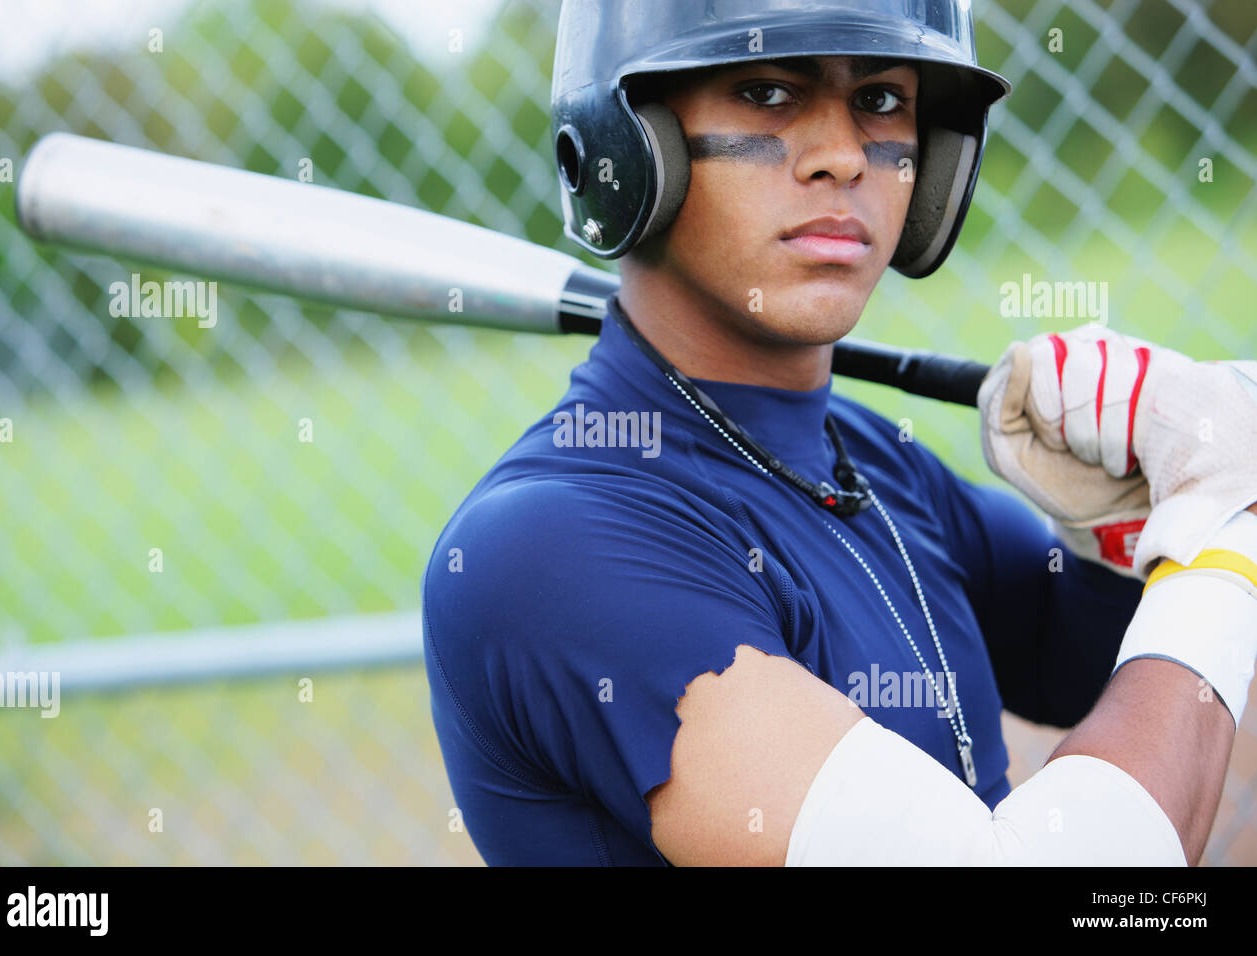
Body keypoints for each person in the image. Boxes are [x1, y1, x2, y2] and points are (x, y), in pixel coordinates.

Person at [421, 0, 1257, 865]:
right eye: (767, 92)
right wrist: (1223, 540)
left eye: (883, 101)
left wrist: (1115, 530)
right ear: (625, 149)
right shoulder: (547, 549)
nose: (843, 156)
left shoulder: (872, 459)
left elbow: (1084, 663)